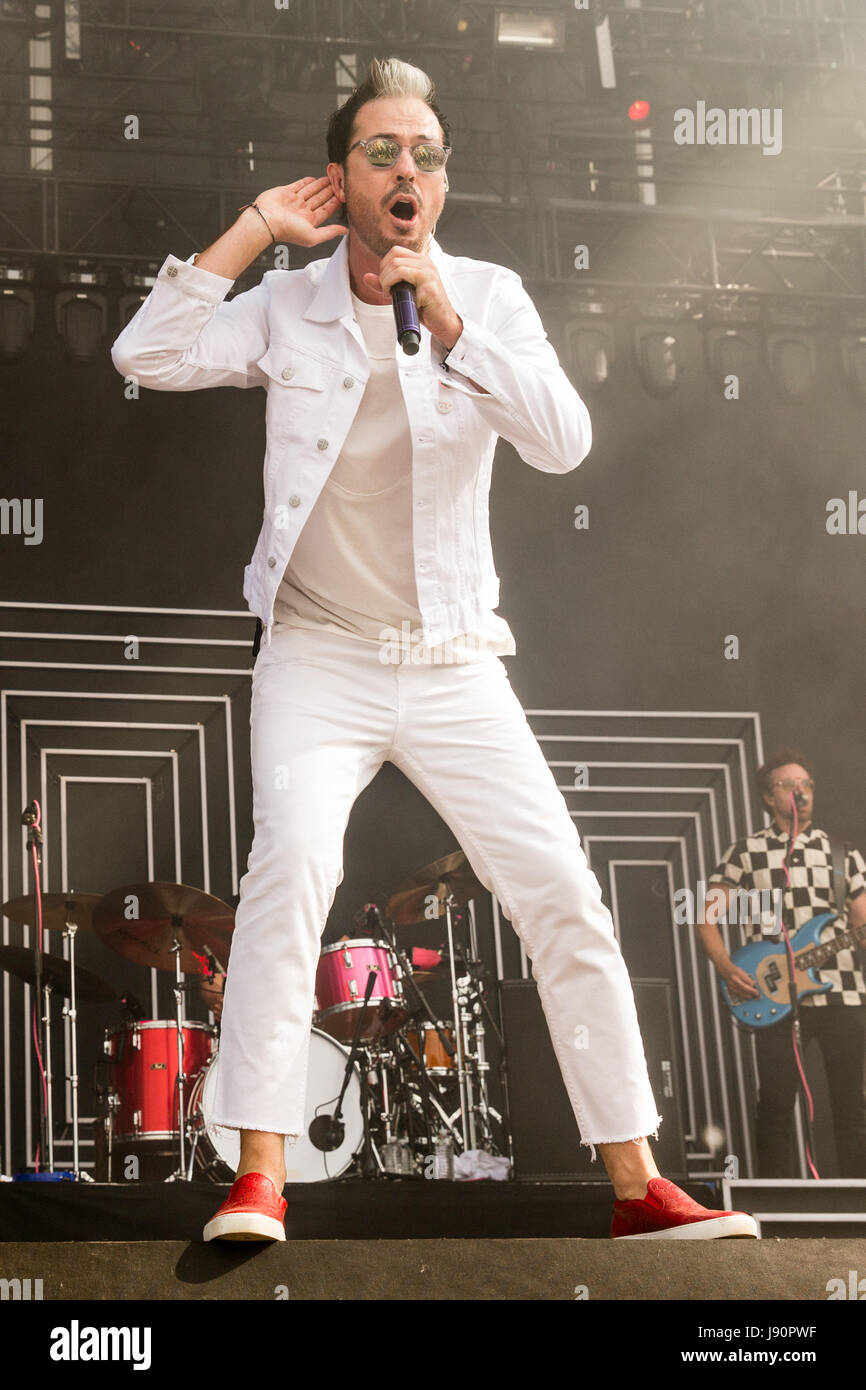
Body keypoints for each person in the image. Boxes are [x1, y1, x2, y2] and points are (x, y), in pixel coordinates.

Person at [111, 56, 756, 1243]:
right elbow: (143, 355)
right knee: (288, 872)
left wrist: (452, 325)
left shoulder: (487, 297)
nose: (408, 170)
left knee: (561, 892)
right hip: (320, 650)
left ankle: (636, 1182)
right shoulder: (290, 302)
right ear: (340, 177)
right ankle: (257, 1172)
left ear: (440, 184)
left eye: (427, 155)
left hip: (454, 659)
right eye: (381, 152)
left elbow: (562, 442)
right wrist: (255, 229)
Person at [699, 752, 866, 1176]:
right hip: (771, 993)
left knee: (851, 1103)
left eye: (807, 783)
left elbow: (861, 924)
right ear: (769, 797)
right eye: (790, 784)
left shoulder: (843, 853)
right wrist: (725, 966)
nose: (801, 791)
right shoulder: (746, 852)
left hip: (842, 993)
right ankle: (777, 1205)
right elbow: (705, 917)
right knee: (774, 1103)